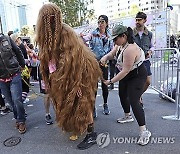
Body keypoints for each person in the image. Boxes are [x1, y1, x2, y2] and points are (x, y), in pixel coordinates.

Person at [35, 3, 102, 150]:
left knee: (83, 101)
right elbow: (50, 59)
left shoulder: (66, 33)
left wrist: (74, 82)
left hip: (81, 73)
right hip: (63, 75)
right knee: (73, 102)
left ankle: (92, 134)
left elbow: (74, 62)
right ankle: (79, 124)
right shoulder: (47, 36)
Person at [100, 24, 151, 146]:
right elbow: (111, 54)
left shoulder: (130, 49)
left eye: (115, 38)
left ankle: (144, 131)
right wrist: (104, 58)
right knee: (122, 94)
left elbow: (125, 70)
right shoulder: (120, 45)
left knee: (134, 101)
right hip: (126, 75)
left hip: (137, 75)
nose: (114, 41)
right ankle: (127, 116)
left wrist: (110, 81)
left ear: (123, 36)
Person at [80, 15, 113, 115]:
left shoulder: (110, 35)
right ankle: (93, 106)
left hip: (105, 64)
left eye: (102, 22)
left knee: (104, 84)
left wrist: (107, 57)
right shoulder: (93, 33)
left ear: (106, 23)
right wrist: (81, 37)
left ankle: (105, 104)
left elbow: (112, 49)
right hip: (94, 63)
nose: (100, 24)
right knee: (93, 86)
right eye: (99, 22)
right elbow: (85, 39)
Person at [0, 33, 26, 134]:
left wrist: (22, 64)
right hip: (2, 79)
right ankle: (17, 117)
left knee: (17, 99)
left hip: (14, 73)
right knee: (10, 103)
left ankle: (21, 120)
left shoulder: (7, 38)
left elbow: (17, 51)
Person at [133, 12, 154, 107]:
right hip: (134, 61)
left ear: (144, 20)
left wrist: (150, 51)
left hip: (145, 61)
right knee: (136, 81)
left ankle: (138, 95)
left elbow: (152, 46)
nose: (137, 22)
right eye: (136, 20)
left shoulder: (149, 34)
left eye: (139, 20)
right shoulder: (131, 33)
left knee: (147, 81)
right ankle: (136, 98)